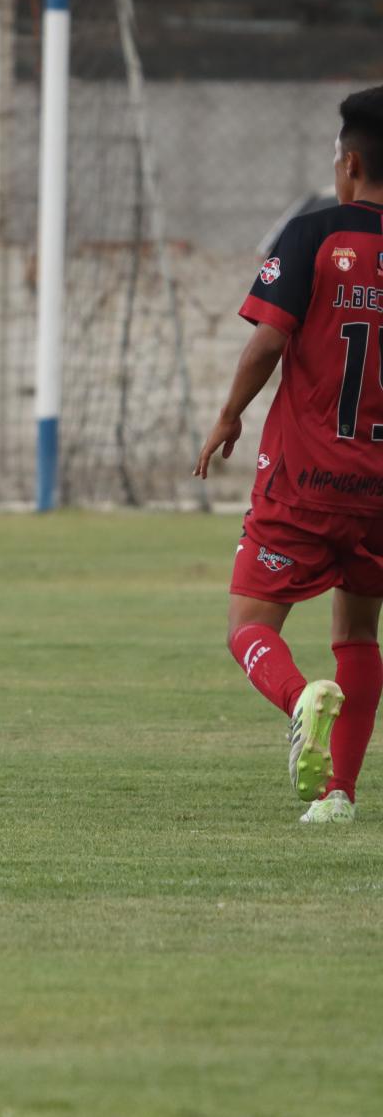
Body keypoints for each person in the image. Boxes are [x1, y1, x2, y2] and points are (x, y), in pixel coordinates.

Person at [195, 85, 383, 824]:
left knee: (249, 626)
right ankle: (340, 794)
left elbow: (269, 340)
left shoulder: (313, 234)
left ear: (350, 164)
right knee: (359, 631)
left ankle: (299, 697)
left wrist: (229, 414)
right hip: (379, 493)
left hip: (304, 483)